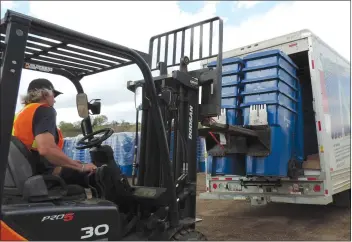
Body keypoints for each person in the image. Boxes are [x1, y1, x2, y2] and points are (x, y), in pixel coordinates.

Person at [12, 78, 97, 187]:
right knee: (98, 173)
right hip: (42, 176)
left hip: (25, 172)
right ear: (44, 94)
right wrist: (81, 167)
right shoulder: (44, 110)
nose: (54, 100)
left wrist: (73, 163)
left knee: (77, 166)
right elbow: (46, 149)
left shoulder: (21, 113)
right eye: (53, 95)